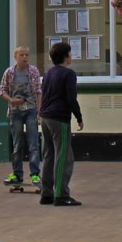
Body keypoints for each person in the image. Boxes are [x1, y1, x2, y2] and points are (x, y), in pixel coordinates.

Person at [38, 41, 83, 206]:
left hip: (46, 116)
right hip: (59, 117)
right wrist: (79, 116)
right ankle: (61, 194)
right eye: (70, 54)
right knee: (64, 156)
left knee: (49, 155)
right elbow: (71, 98)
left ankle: (46, 193)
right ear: (66, 56)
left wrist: (40, 113)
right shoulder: (68, 74)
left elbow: (43, 94)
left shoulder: (49, 73)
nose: (71, 57)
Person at [0, 45, 42, 186]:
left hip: (30, 109)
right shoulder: (9, 72)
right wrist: (11, 100)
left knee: (33, 143)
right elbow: (2, 90)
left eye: (27, 55)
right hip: (15, 111)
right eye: (21, 55)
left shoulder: (33, 71)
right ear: (15, 57)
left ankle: (35, 174)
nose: (24, 57)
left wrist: (39, 111)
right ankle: (17, 174)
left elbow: (38, 91)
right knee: (17, 144)